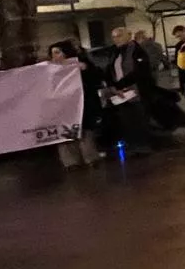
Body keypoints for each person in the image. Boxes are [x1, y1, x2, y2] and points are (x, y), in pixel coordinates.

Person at [106, 27, 160, 155]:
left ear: (128, 35)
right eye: (113, 36)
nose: (116, 39)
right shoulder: (115, 52)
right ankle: (133, 144)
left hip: (136, 91)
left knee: (139, 118)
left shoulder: (137, 51)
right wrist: (113, 86)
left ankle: (143, 145)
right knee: (127, 120)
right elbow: (109, 70)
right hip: (120, 93)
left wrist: (121, 84)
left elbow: (140, 72)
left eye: (119, 36)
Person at [49, 41, 101, 168]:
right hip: (62, 108)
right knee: (66, 133)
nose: (55, 56)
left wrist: (85, 69)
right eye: (52, 54)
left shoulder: (81, 64)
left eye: (57, 52)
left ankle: (90, 158)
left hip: (82, 106)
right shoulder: (50, 71)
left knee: (84, 132)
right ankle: (71, 162)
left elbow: (95, 80)